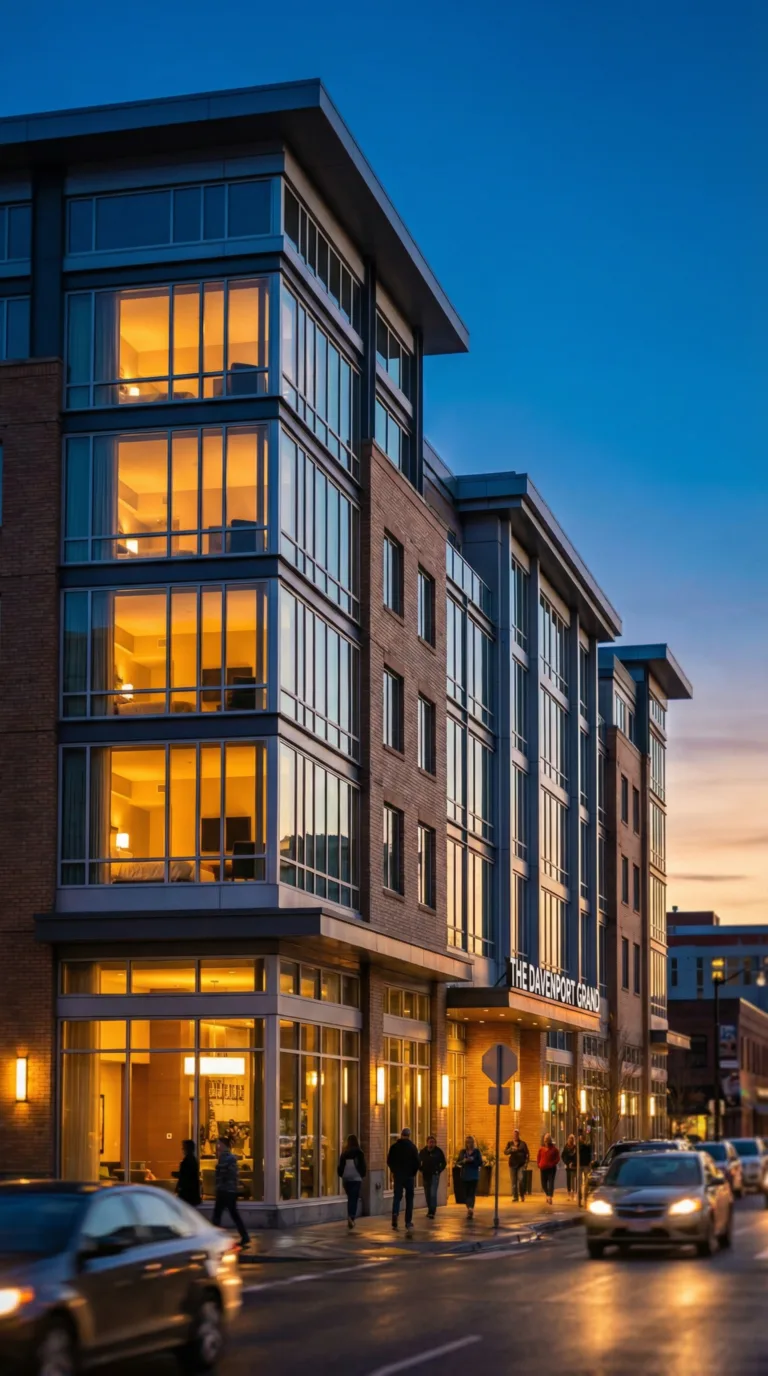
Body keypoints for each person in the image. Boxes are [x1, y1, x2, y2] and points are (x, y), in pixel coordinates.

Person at [212, 1136, 250, 1248]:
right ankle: (244, 1236)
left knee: (218, 1215)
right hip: (229, 1190)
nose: (217, 1147)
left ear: (224, 1145)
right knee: (232, 1214)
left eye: (219, 1144)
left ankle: (214, 1239)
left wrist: (220, 1183)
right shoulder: (227, 1157)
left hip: (225, 1190)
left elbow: (225, 1174)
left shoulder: (226, 1158)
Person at [387, 1127, 420, 1235]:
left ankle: (395, 1213)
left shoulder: (394, 1147)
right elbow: (417, 1162)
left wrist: (393, 1170)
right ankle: (408, 1221)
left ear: (401, 1135)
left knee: (397, 1196)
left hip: (398, 1175)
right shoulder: (412, 1147)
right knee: (409, 1198)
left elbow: (389, 1160)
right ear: (409, 1135)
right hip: (409, 1176)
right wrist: (413, 1172)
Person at [337, 1134, 367, 1230]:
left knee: (350, 1198)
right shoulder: (359, 1153)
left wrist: (342, 1175)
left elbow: (340, 1166)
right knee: (354, 1198)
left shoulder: (344, 1153)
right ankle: (351, 1217)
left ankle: (350, 1216)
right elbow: (362, 1166)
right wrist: (362, 1174)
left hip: (346, 1179)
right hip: (356, 1178)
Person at [418, 1135, 447, 1219]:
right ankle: (429, 1209)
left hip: (435, 1175)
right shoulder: (423, 1152)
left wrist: (439, 1170)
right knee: (427, 1194)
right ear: (427, 1143)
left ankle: (432, 1211)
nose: (432, 1144)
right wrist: (421, 1169)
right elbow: (418, 1161)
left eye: (433, 1142)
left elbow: (444, 1163)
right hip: (426, 1175)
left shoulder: (438, 1152)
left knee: (433, 1193)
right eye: (430, 1142)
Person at [456, 1135, 483, 1221]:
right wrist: (464, 1161)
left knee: (472, 1193)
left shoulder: (477, 1152)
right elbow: (458, 1163)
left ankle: (470, 1209)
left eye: (471, 1142)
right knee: (466, 1194)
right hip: (465, 1176)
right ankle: (469, 1208)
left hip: (474, 1176)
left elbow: (480, 1162)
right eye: (468, 1142)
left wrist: (473, 1161)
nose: (469, 1144)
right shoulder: (463, 1152)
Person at [504, 1129, 530, 1202]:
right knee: (513, 1181)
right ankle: (515, 1197)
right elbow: (505, 1152)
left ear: (518, 1135)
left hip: (521, 1165)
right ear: (513, 1135)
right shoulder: (510, 1143)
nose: (515, 1136)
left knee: (521, 1179)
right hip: (512, 1165)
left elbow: (527, 1154)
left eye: (516, 1134)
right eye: (514, 1135)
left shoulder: (523, 1144)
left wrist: (526, 1164)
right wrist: (510, 1149)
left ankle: (522, 1194)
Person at [174, 1139, 202, 1208]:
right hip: (191, 1193)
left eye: (183, 1147)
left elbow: (185, 1176)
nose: (182, 1149)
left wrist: (178, 1186)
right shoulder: (193, 1160)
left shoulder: (187, 1161)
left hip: (187, 1193)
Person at [536, 1133, 560, 1206]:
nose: (546, 1140)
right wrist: (539, 1164)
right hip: (543, 1168)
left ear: (550, 1140)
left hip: (551, 1168)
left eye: (547, 1139)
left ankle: (550, 1196)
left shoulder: (554, 1149)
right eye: (545, 1139)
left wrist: (553, 1163)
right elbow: (538, 1157)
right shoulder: (541, 1149)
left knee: (551, 1182)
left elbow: (558, 1158)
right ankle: (547, 1194)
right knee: (543, 1184)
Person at [578, 1133, 593, 1206]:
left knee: (581, 1183)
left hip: (582, 1165)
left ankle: (582, 1199)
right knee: (584, 1183)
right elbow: (590, 1156)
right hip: (584, 1165)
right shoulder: (587, 1147)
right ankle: (584, 1198)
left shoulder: (579, 1147)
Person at [561, 1134, 577, 1200]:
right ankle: (569, 1193)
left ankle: (574, 1192)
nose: (570, 1140)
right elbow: (563, 1155)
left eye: (572, 1138)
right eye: (569, 1138)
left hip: (573, 1165)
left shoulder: (575, 1147)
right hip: (567, 1165)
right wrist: (566, 1162)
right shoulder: (566, 1147)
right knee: (568, 1179)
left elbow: (576, 1157)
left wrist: (573, 1163)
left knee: (573, 1179)